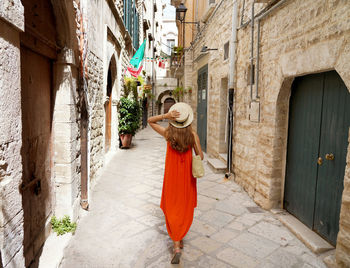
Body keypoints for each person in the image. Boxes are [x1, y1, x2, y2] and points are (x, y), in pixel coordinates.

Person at [148, 102, 204, 264]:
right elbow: (200, 157)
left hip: (171, 178)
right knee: (184, 207)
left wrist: (165, 116)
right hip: (187, 179)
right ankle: (179, 238)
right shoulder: (193, 136)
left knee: (172, 207)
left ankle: (176, 246)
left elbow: (151, 121)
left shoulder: (168, 134)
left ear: (173, 121)